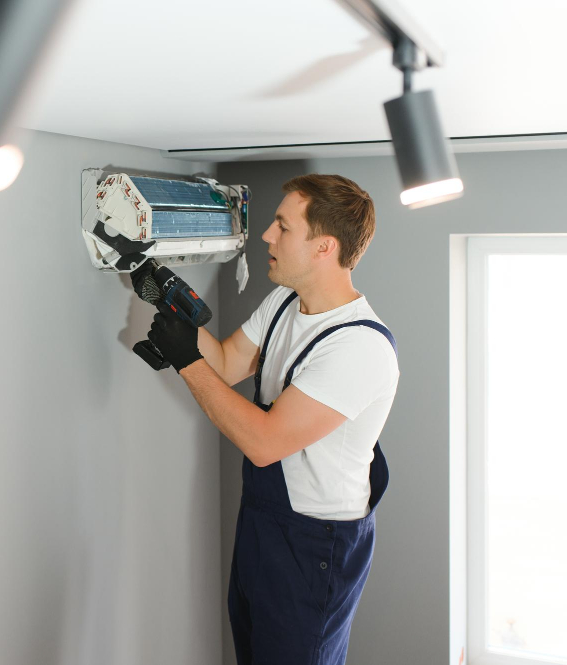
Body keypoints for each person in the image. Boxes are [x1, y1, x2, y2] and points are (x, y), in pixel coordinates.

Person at [145, 174, 400, 664]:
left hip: (313, 548)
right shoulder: (285, 302)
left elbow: (264, 443)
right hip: (261, 523)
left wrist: (185, 361)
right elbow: (226, 363)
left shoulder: (358, 347)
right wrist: (165, 295)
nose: (266, 235)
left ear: (324, 247)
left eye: (283, 226)